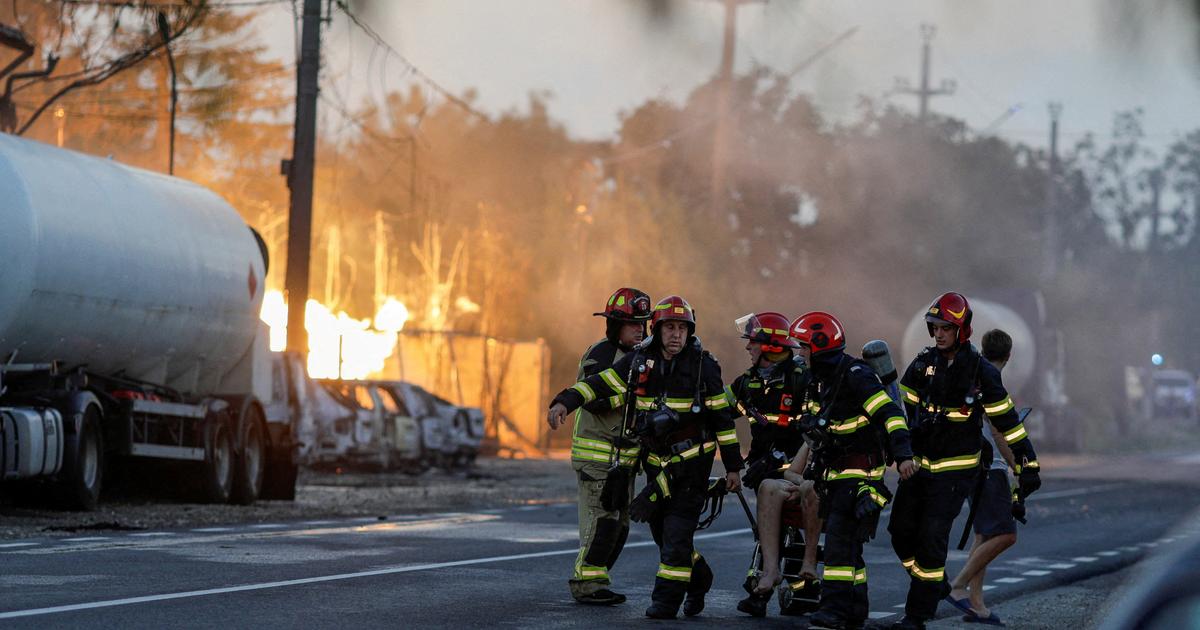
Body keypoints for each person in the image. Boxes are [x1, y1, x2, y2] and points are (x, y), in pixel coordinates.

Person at [547, 295, 743, 619]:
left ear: (690, 331)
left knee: (678, 531)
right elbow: (600, 383)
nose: (676, 335)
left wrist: (734, 467)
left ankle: (665, 602)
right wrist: (563, 402)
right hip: (656, 468)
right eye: (669, 328)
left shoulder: (703, 366)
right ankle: (699, 579)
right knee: (663, 534)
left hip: (693, 465)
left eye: (682, 328)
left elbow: (723, 419)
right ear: (658, 329)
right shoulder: (640, 361)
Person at [888, 293, 1041, 630]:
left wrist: (1028, 464)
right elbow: (900, 412)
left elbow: (1008, 422)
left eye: (946, 328)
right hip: (918, 469)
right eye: (935, 327)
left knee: (931, 538)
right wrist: (900, 452)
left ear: (962, 329)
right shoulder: (922, 363)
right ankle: (934, 585)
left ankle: (916, 616)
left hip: (955, 475)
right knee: (899, 532)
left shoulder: (981, 372)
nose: (939, 334)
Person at [788, 311, 916, 630]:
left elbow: (890, 415)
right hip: (834, 473)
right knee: (849, 545)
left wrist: (902, 455)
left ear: (819, 346)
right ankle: (856, 608)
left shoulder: (856, 375)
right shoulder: (819, 380)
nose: (798, 353)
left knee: (838, 547)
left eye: (803, 346)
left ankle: (833, 610)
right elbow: (817, 421)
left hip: (860, 475)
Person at [546, 287, 652, 605]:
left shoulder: (644, 358)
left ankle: (597, 579)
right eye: (633, 324)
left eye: (644, 324)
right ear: (614, 325)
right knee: (601, 521)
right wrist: (634, 393)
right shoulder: (602, 355)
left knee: (619, 527)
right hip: (597, 457)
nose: (640, 330)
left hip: (624, 461)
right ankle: (586, 584)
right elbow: (596, 399)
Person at [725, 312, 821, 617]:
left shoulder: (801, 378)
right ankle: (770, 581)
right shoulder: (748, 382)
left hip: (797, 468)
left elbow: (816, 431)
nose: (747, 348)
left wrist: (779, 460)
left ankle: (772, 586)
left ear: (768, 346)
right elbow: (718, 411)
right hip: (762, 469)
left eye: (752, 342)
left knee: (783, 521)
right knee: (772, 521)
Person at [945, 329, 1020, 626]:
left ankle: (977, 605)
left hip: (969, 463)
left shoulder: (972, 375)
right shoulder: (992, 382)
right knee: (1006, 534)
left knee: (984, 534)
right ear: (1009, 355)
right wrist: (1017, 465)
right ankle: (958, 584)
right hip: (990, 467)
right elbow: (1000, 432)